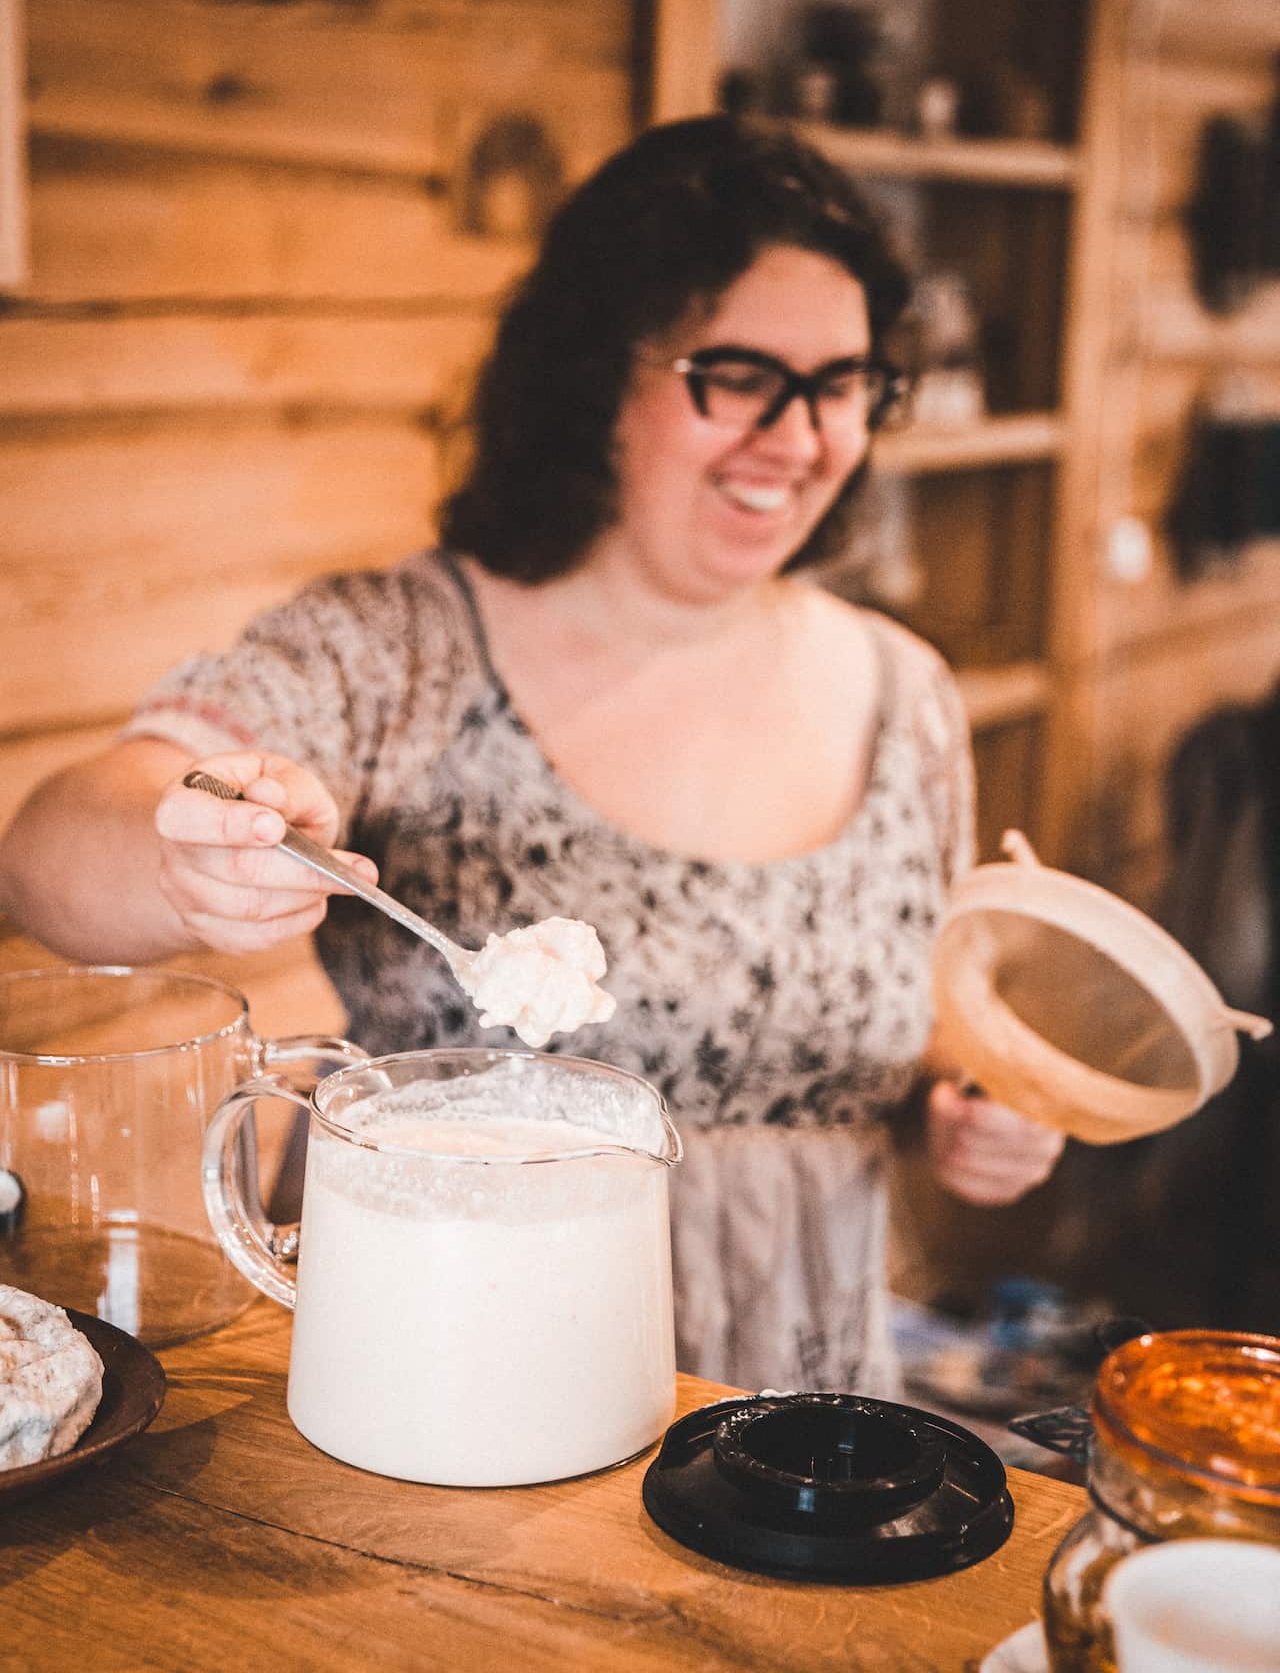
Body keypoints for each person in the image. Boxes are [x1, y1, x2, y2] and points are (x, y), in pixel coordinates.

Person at [0, 114, 1063, 1393]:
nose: (797, 438)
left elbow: (915, 1023)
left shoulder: (907, 695)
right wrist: (187, 860)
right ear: (598, 375)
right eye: (738, 374)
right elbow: (48, 857)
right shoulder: (396, 650)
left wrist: (959, 1107)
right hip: (451, 1373)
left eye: (839, 383)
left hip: (794, 1391)